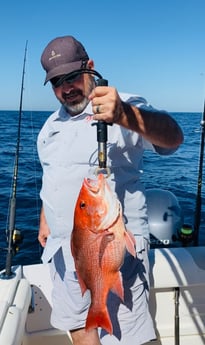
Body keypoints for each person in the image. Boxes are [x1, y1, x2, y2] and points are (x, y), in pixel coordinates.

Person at [37, 35, 183, 345]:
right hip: (63, 250)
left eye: (72, 77)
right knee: (80, 327)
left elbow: (174, 138)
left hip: (112, 247)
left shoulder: (126, 105)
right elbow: (54, 176)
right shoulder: (50, 126)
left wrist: (124, 114)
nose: (66, 88)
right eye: (56, 82)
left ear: (90, 67)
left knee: (132, 336)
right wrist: (45, 217)